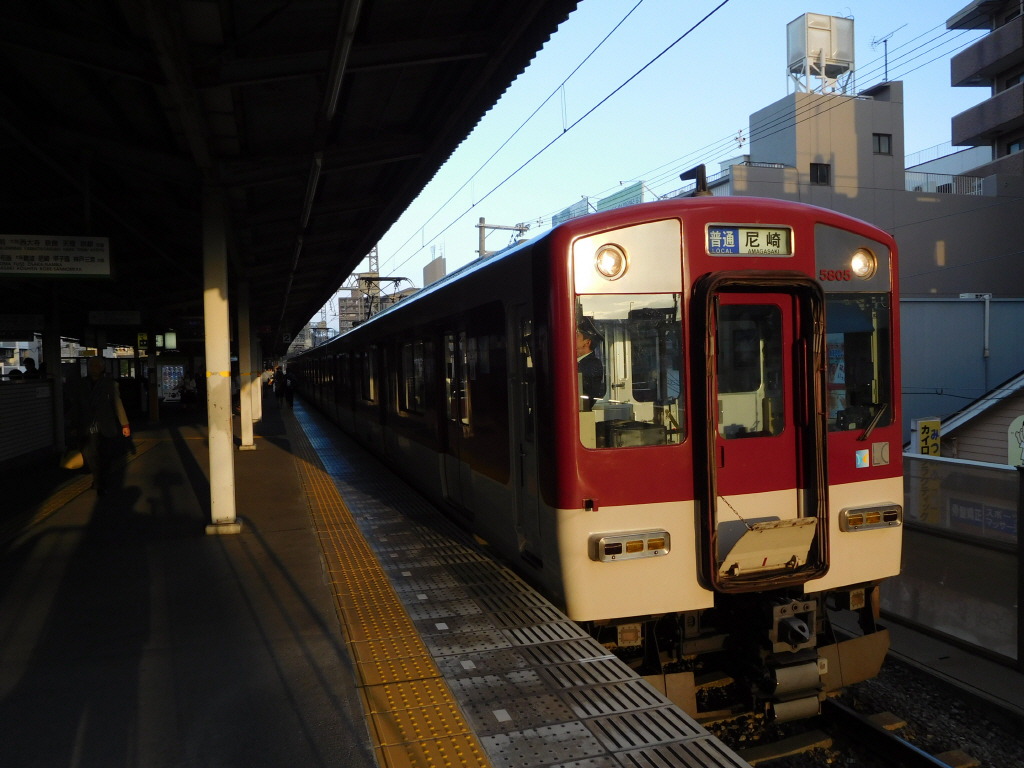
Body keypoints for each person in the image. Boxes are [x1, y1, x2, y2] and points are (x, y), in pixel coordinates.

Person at [77, 356, 131, 496]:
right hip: (87, 425)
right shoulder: (82, 384)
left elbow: (118, 404)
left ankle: (100, 481)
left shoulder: (110, 384)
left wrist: (125, 424)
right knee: (90, 454)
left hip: (105, 425)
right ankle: (98, 479)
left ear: (102, 368)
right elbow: (76, 404)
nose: (94, 368)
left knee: (104, 456)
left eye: (97, 365)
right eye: (92, 365)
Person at [576, 319, 605, 411]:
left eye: (577, 336)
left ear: (587, 343)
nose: (572, 338)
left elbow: (586, 394)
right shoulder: (577, 362)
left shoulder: (593, 364)